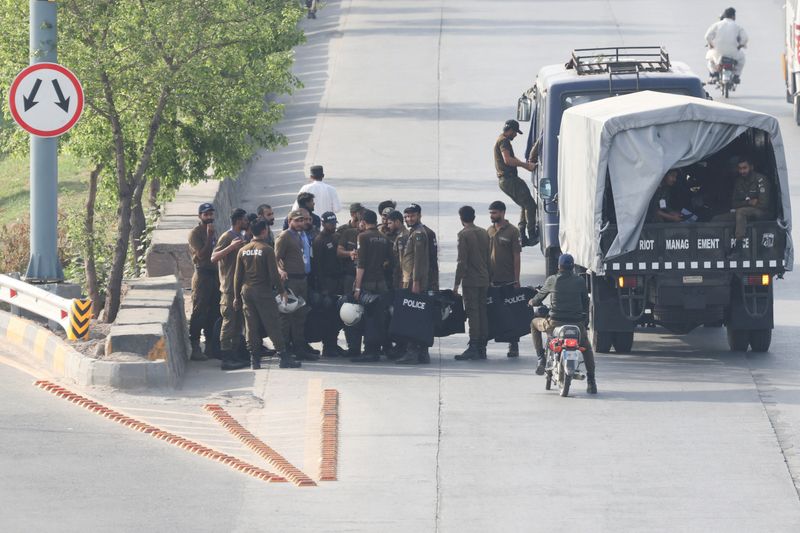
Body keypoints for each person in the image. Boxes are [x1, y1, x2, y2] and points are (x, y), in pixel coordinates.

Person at [233, 219, 301, 369]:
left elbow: (237, 276)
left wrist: (236, 297)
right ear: (264, 231)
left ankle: (254, 360)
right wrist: (282, 291)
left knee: (251, 326)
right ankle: (283, 357)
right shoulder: (267, 249)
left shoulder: (243, 250)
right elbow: (274, 275)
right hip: (263, 291)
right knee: (273, 324)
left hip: (247, 291)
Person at [529, 253, 597, 394]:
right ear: (573, 267)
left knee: (534, 323)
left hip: (554, 324)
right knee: (587, 349)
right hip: (576, 325)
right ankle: (591, 381)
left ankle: (541, 358)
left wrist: (531, 302)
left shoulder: (552, 280)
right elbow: (586, 303)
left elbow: (537, 299)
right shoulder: (580, 281)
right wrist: (584, 322)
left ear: (559, 266)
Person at [274, 209, 319, 361]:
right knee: (286, 315)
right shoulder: (284, 236)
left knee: (300, 315)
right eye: (297, 220)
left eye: (302, 220)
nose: (301, 223)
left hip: (302, 279)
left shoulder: (301, 235)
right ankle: (284, 349)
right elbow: (275, 258)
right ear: (290, 221)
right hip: (290, 280)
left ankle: (299, 348)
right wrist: (280, 271)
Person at [211, 208, 249, 371]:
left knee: (238, 324)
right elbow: (214, 257)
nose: (247, 222)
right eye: (245, 219)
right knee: (228, 323)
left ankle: (235, 354)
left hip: (239, 287)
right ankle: (226, 357)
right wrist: (231, 247)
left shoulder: (241, 236)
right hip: (228, 289)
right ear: (239, 221)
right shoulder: (227, 237)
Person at [353, 209, 393, 362]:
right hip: (381, 282)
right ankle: (380, 347)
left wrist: (357, 287)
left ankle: (370, 350)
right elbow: (390, 260)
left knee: (368, 317)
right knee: (380, 316)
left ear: (363, 222)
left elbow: (361, 264)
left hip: (367, 282)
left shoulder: (362, 237)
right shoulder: (384, 238)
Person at [713, 156, 772, 258]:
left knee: (741, 211)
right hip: (744, 213)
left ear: (751, 167)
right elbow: (734, 204)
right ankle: (719, 249)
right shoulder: (739, 181)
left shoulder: (761, 180)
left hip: (762, 213)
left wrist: (743, 204)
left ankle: (738, 247)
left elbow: (764, 204)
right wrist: (749, 202)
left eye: (745, 168)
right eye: (740, 168)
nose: (742, 171)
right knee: (717, 219)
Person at [453, 206, 491, 361]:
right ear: (474, 216)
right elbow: (488, 257)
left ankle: (474, 345)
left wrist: (456, 283)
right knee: (483, 312)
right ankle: (482, 346)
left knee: (473, 313)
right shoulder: (484, 232)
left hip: (471, 280)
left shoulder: (463, 234)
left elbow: (462, 261)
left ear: (461, 218)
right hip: (484, 278)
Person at [396, 203, 431, 365]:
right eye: (407, 216)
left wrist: (416, 282)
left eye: (412, 216)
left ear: (419, 216)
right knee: (419, 317)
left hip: (413, 282)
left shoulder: (418, 234)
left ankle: (412, 352)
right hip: (411, 280)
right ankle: (423, 353)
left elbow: (418, 260)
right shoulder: (415, 232)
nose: (409, 219)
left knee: (412, 318)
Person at [494, 119, 538, 246]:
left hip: (506, 181)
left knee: (524, 204)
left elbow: (511, 158)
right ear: (510, 130)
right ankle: (532, 234)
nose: (515, 135)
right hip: (509, 179)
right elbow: (508, 160)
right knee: (530, 205)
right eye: (515, 133)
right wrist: (526, 165)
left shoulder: (501, 139)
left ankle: (522, 236)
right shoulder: (504, 141)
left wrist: (525, 164)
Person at [487, 201, 523, 358]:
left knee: (511, 312)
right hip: (492, 279)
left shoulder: (513, 232)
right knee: (491, 312)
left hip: (508, 278)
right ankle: (484, 344)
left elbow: (517, 256)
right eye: (490, 213)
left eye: (494, 213)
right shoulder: (489, 231)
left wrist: (516, 279)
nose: (492, 216)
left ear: (502, 213)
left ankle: (513, 345)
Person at [188, 202, 220, 361]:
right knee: (199, 311)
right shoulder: (196, 233)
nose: (209, 217)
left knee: (214, 311)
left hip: (214, 275)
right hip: (202, 275)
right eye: (206, 214)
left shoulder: (213, 230)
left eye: (211, 214)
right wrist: (209, 237)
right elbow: (201, 255)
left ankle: (210, 345)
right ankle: (195, 346)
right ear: (200, 216)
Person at [312, 212, 346, 358]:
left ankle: (334, 344)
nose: (333, 226)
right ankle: (328, 346)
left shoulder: (336, 237)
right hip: (326, 283)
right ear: (323, 223)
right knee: (327, 316)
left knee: (337, 316)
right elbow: (317, 266)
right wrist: (323, 288)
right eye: (330, 224)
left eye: (334, 223)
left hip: (338, 281)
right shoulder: (319, 240)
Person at [337, 203, 364, 356]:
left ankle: (369, 347)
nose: (362, 224)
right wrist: (349, 254)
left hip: (365, 279)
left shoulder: (371, 236)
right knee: (348, 311)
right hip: (349, 278)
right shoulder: (347, 233)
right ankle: (353, 347)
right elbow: (339, 251)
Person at [705, 7, 748, 84]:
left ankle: (714, 75)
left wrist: (711, 44)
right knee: (742, 59)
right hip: (733, 53)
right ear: (733, 16)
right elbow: (745, 38)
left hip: (717, 52)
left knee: (709, 59)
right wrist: (740, 46)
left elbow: (707, 36)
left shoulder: (717, 25)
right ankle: (736, 76)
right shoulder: (737, 26)